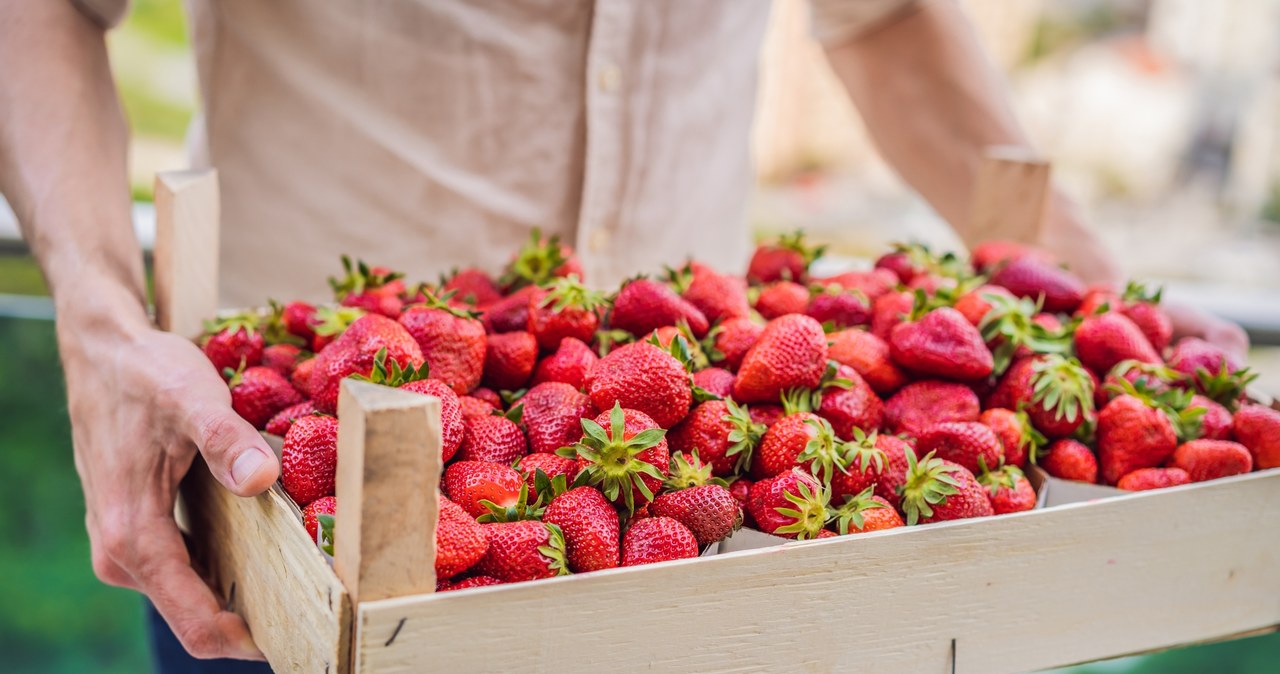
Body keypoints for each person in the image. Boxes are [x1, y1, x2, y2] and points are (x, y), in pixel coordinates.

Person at [0, 0, 1249, 670]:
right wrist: (101, 324)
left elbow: (879, 15)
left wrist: (1083, 288)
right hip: (280, 475)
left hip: (711, 525)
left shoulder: (718, 431)